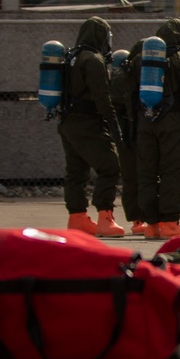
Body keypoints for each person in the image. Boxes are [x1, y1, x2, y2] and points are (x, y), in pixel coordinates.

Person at [125, 19, 180, 239]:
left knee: (146, 173)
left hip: (143, 122)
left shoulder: (140, 60)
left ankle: (151, 225)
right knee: (171, 172)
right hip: (172, 122)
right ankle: (170, 222)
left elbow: (128, 94)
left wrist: (133, 123)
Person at [56, 16, 125, 237]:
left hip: (67, 121)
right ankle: (105, 218)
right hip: (87, 122)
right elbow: (102, 99)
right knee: (110, 166)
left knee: (76, 171)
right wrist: (115, 128)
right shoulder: (93, 61)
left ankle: (76, 218)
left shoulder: (70, 58)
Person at [108, 48, 145, 235]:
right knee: (145, 175)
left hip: (120, 136)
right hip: (137, 133)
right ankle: (149, 218)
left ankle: (135, 220)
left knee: (129, 178)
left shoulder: (110, 84)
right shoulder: (132, 81)